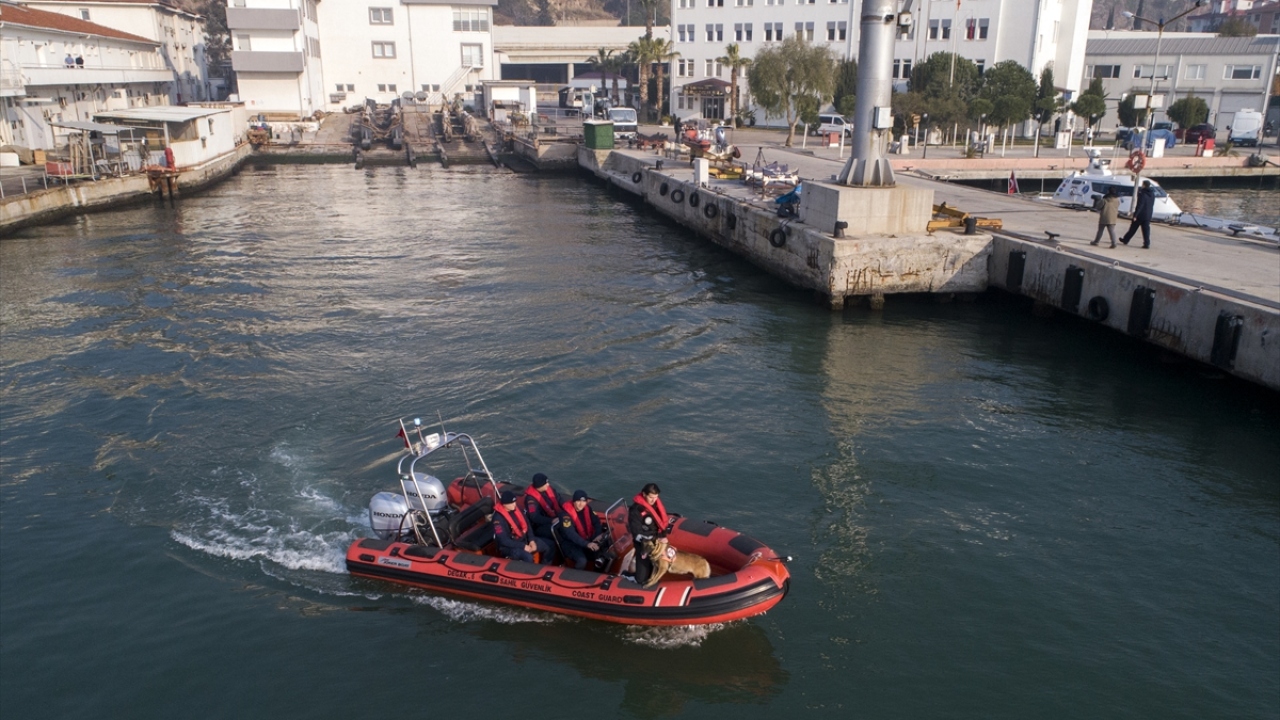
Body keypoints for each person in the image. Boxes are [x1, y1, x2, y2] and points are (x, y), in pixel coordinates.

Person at [627, 482, 673, 585]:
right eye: (651, 497)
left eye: (656, 497)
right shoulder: (635, 511)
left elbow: (661, 522)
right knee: (641, 577)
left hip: (657, 542)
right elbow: (636, 532)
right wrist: (653, 538)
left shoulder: (655, 505)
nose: (654, 500)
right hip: (644, 544)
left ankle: (653, 580)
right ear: (644, 494)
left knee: (655, 569)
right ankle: (630, 576)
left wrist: (661, 537)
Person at [493, 490, 550, 564]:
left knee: (549, 546)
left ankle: (545, 566)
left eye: (514, 502)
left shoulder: (517, 509)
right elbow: (504, 540)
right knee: (527, 557)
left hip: (523, 540)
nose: (514, 504)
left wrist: (531, 540)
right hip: (509, 547)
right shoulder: (498, 519)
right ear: (504, 504)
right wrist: (523, 546)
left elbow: (527, 525)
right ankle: (529, 573)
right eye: (511, 503)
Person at [559, 490, 607, 570]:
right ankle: (574, 578)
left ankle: (598, 573)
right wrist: (587, 544)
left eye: (583, 501)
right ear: (574, 501)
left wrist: (598, 535)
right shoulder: (565, 516)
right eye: (578, 501)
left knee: (603, 550)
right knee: (582, 561)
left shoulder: (587, 509)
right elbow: (570, 534)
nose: (581, 504)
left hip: (585, 540)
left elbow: (597, 522)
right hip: (571, 544)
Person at [523, 473, 561, 551]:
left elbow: (559, 499)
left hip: (554, 518)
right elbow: (534, 517)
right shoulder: (531, 500)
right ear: (539, 486)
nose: (548, 484)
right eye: (545, 483)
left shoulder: (549, 489)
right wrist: (551, 520)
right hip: (540, 526)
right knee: (560, 533)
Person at [1120, 180, 1155, 249]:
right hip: (1148, 215)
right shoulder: (1152, 194)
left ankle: (1126, 239)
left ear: (1144, 185)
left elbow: (1140, 205)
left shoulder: (1142, 194)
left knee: (1133, 228)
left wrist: (1135, 215)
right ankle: (1147, 243)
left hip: (1140, 215)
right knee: (1146, 230)